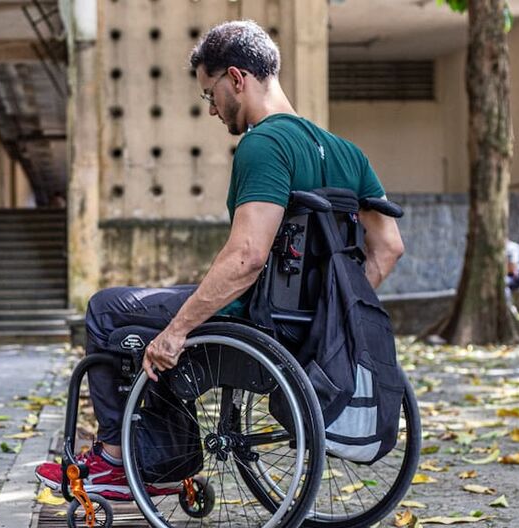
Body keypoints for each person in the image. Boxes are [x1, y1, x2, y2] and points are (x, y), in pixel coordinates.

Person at [35, 20, 407, 500]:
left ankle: (113, 460)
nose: (211, 109)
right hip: (313, 331)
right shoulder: (345, 152)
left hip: (257, 323)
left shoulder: (264, 144)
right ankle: (164, 455)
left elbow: (248, 256)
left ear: (237, 78)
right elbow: (389, 245)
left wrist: (176, 333)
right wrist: (333, 318)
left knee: (107, 310)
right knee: (162, 308)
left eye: (210, 94)